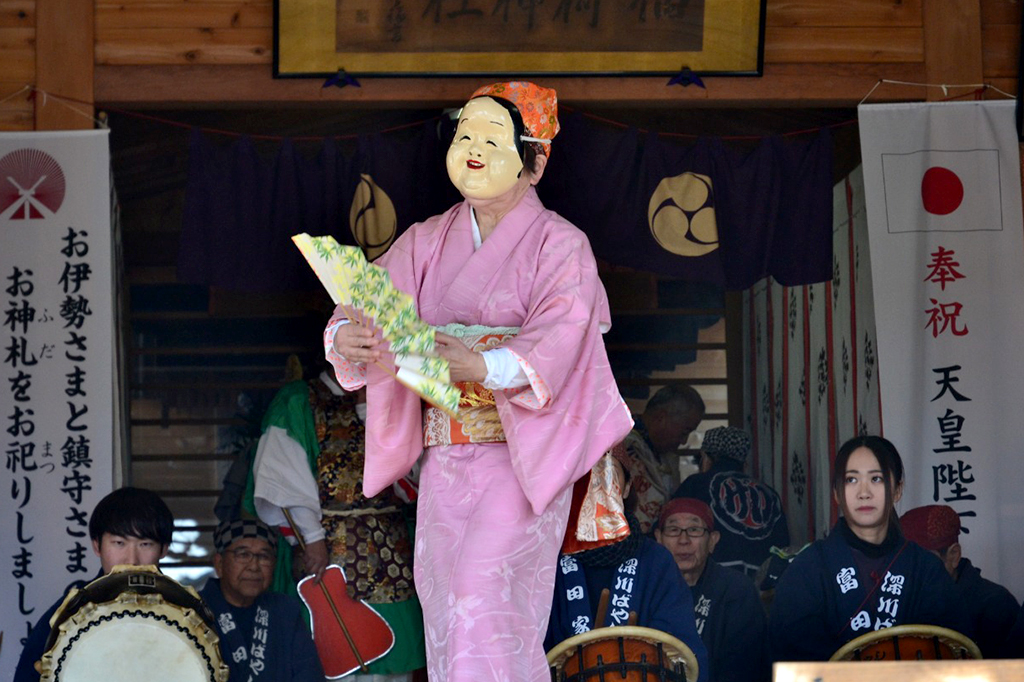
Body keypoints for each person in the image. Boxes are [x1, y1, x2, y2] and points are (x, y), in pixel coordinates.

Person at [325, 81, 633, 682]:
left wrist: (483, 365)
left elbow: (563, 335)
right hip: (445, 460)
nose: (473, 149)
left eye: (494, 139)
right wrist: (346, 338)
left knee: (482, 603)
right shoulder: (423, 240)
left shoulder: (561, 245)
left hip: (518, 459)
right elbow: (364, 304)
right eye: (465, 134)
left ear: (536, 161)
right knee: (444, 608)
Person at [250, 367, 425, 680]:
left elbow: (411, 478)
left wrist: (372, 412)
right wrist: (311, 537)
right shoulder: (300, 400)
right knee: (328, 657)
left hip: (391, 556)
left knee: (395, 661)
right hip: (325, 554)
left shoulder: (396, 395)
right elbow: (281, 475)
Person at [769, 435, 973, 662]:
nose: (863, 492)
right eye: (851, 480)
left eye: (876, 479)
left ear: (897, 490)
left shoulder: (926, 570)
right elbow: (792, 660)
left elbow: (954, 652)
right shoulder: (808, 570)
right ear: (837, 493)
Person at [546, 458, 710, 682]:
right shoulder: (547, 560)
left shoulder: (656, 560)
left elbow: (681, 648)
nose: (597, 486)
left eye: (610, 475)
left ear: (627, 487)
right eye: (585, 476)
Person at [14, 487, 174, 682]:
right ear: (97, 545)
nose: (132, 559)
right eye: (119, 543)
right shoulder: (68, 612)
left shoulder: (188, 611)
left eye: (145, 544)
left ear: (164, 549)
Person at [655, 498, 769, 682]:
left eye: (694, 530)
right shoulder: (647, 587)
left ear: (712, 541)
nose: (683, 540)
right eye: (673, 530)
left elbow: (744, 668)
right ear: (659, 539)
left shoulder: (736, 590)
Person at [200, 519, 323, 681]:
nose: (254, 566)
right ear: (220, 563)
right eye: (243, 555)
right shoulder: (194, 611)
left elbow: (309, 675)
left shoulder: (285, 611)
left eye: (264, 556)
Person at [901, 503, 1019, 658]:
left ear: (954, 555)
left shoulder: (996, 606)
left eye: (922, 561)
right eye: (903, 561)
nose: (910, 572)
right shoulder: (899, 602)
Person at [673, 426, 789, 577]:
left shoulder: (695, 484)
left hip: (710, 581)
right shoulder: (769, 493)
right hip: (759, 585)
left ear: (706, 458)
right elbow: (782, 547)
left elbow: (671, 530)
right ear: (744, 463)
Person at [623, 384, 705, 533]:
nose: (684, 441)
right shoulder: (622, 444)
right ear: (661, 417)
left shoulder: (666, 457)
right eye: (684, 432)